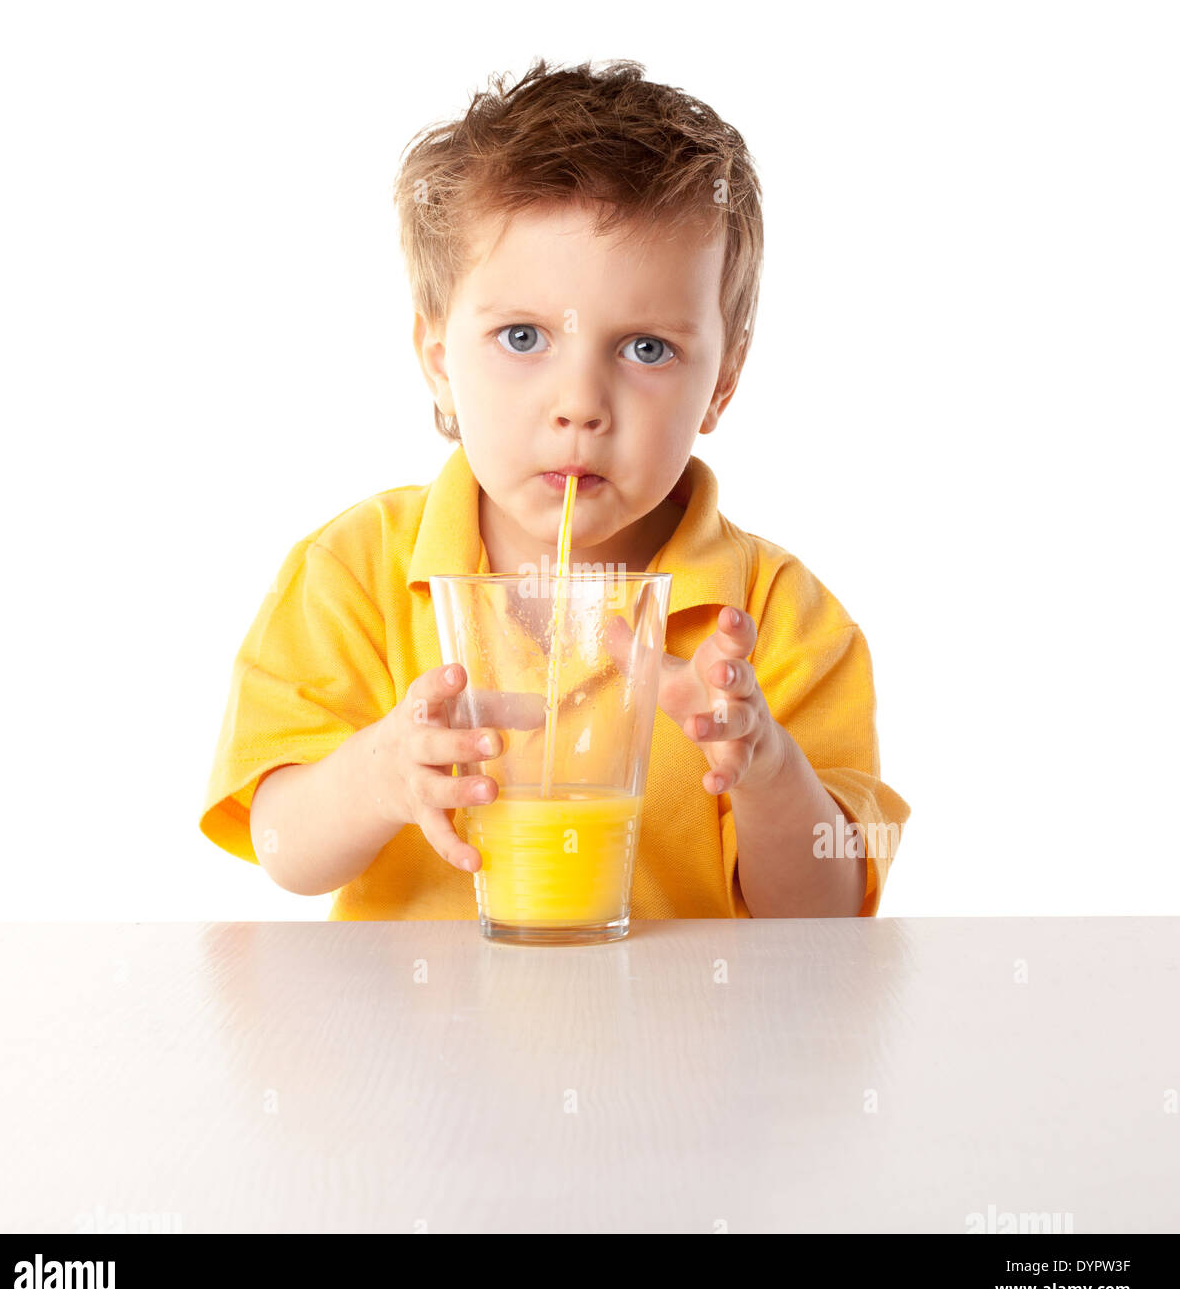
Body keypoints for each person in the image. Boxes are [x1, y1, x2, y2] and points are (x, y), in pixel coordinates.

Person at [199, 58, 910, 920]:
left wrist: (766, 772)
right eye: (524, 336)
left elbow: (825, 916)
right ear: (439, 364)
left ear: (722, 383)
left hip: (688, 1047)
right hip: (419, 1050)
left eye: (646, 348)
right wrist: (381, 774)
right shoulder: (354, 572)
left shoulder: (779, 620)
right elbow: (285, 851)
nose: (579, 405)